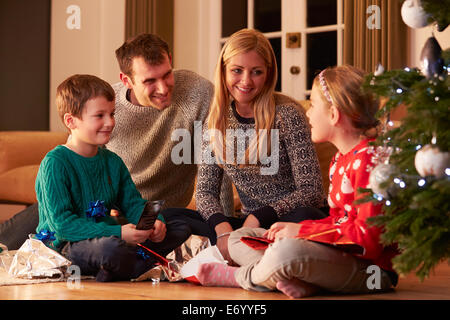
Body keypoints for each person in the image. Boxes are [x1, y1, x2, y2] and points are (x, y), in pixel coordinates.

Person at [0, 33, 233, 249]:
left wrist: (223, 225)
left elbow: (215, 163)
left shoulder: (198, 92)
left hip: (152, 212)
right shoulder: (107, 107)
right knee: (45, 219)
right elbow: (77, 159)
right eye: (150, 81)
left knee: (183, 226)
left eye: (166, 74)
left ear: (170, 60)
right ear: (127, 80)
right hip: (101, 209)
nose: (162, 88)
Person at [196, 65, 399, 298]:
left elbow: (368, 242)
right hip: (336, 258)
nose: (308, 113)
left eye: (312, 105)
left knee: (286, 252)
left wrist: (302, 232)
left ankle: (240, 277)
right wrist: (297, 232)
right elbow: (338, 220)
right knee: (239, 237)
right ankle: (299, 279)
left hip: (372, 271)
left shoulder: (370, 162)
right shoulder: (340, 159)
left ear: (333, 114)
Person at [35, 74, 190, 282]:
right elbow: (62, 226)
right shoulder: (55, 163)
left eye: (112, 113)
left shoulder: (112, 161)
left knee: (180, 227)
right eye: (100, 115)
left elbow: (133, 204)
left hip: (110, 237)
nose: (110, 122)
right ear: (71, 121)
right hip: (65, 247)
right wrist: (118, 232)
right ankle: (135, 265)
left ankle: (120, 267)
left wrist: (155, 224)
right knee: (109, 248)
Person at [192, 29, 328, 263]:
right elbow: (204, 191)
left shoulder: (287, 114)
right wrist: (222, 227)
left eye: (256, 72)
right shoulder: (216, 120)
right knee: (173, 218)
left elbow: (311, 190)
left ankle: (241, 259)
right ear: (223, 71)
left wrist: (260, 216)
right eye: (237, 70)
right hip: (244, 225)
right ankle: (250, 255)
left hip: (288, 221)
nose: (246, 81)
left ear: (268, 74)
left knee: (307, 217)